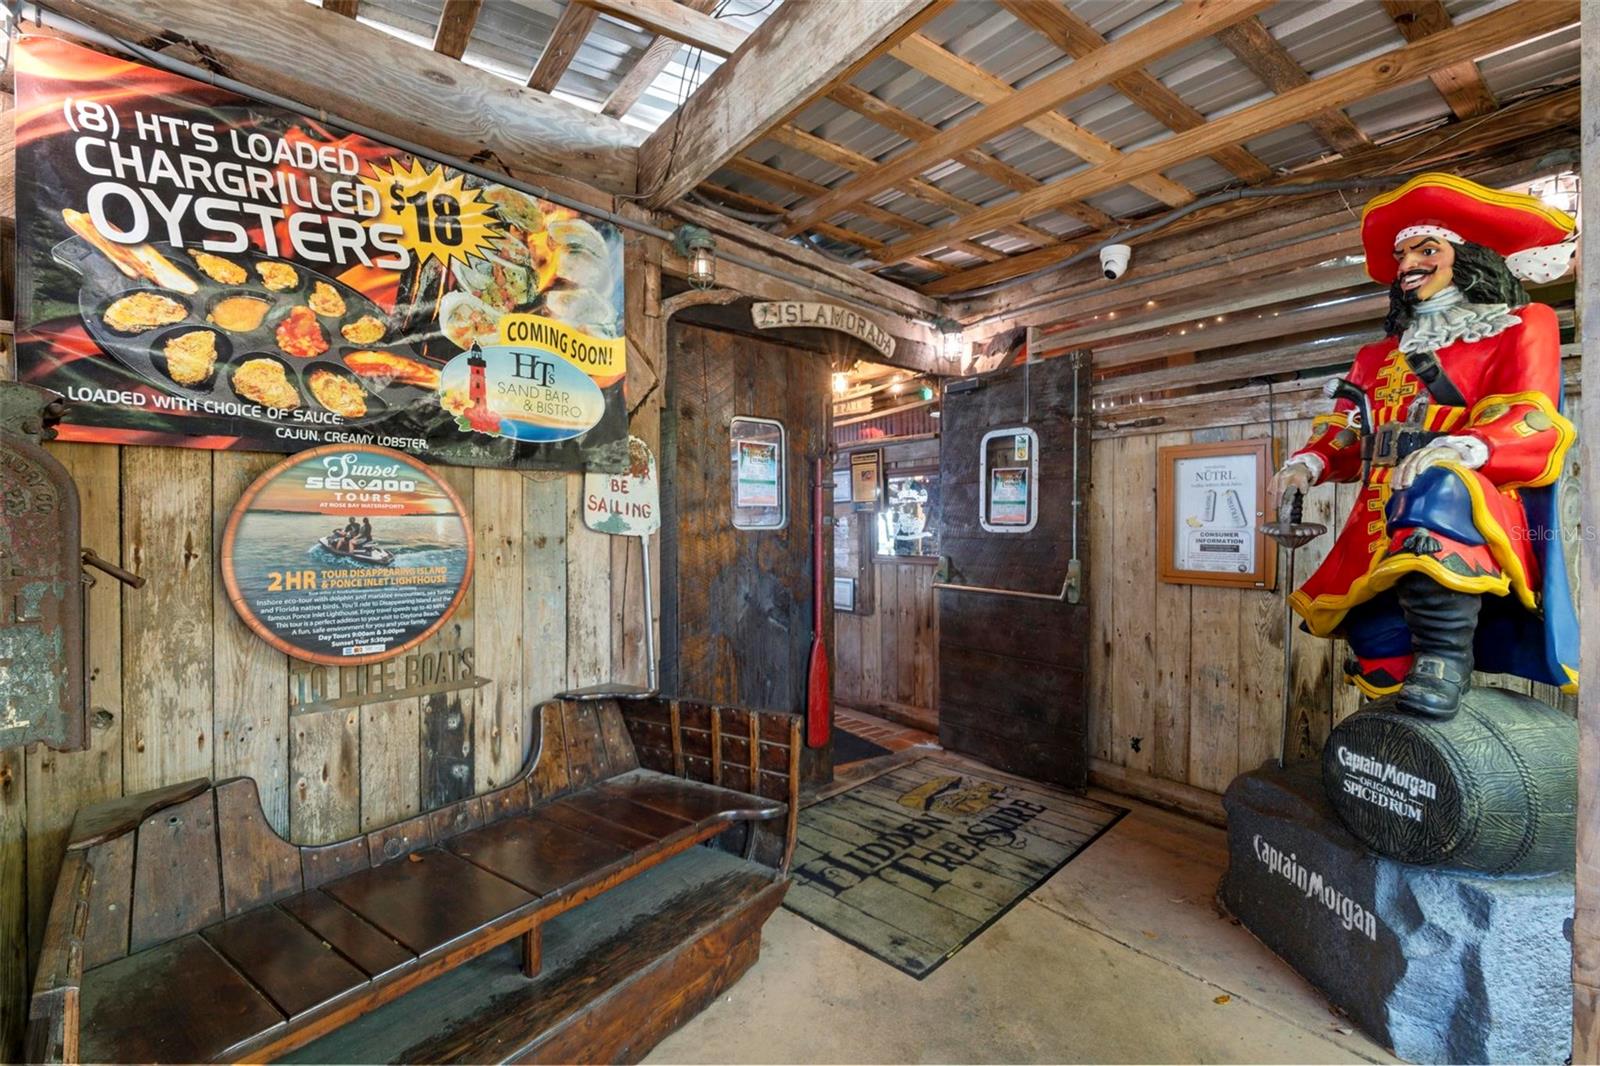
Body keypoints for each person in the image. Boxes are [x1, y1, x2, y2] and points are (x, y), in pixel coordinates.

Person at [1268, 173, 1578, 719]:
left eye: (1426, 249)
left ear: (1468, 257)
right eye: (1402, 254)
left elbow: (1530, 415)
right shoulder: (1375, 356)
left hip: (1464, 503)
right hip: (1376, 512)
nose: (1408, 263)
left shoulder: (1521, 325)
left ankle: (1445, 661)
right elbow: (1349, 426)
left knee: (1438, 492)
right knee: (1375, 638)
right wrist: (1309, 462)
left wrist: (1467, 448)